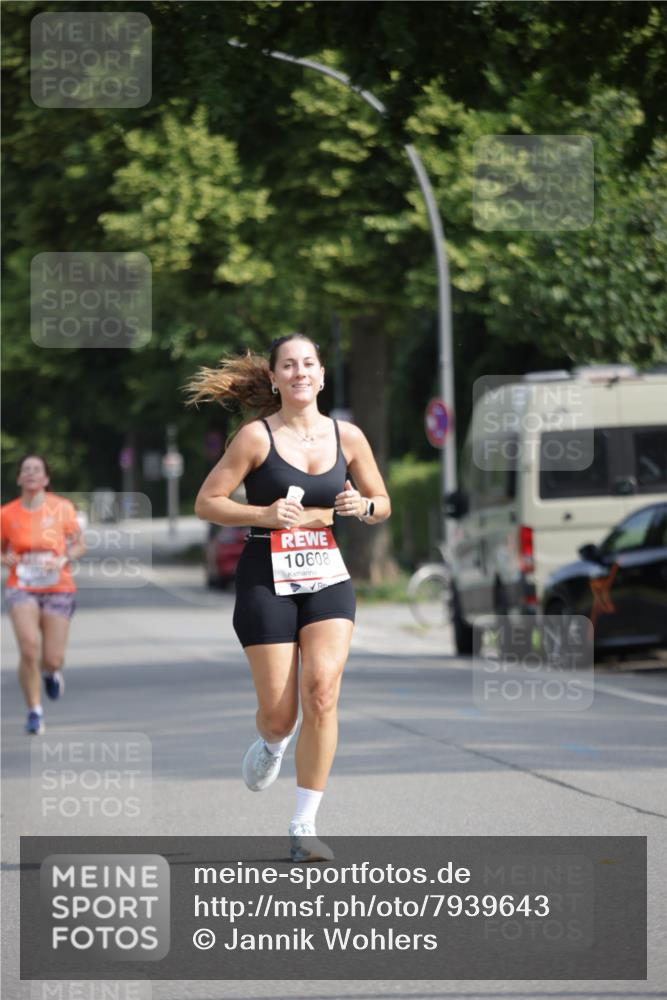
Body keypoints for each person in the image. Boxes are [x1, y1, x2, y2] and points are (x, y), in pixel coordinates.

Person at [188, 333, 391, 860]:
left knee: (321, 691)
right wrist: (261, 513)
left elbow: (382, 501)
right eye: (288, 365)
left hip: (326, 571)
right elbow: (208, 502)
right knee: (281, 713)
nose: (300, 372)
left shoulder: (348, 437)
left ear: (322, 374)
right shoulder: (255, 438)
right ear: (275, 379)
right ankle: (273, 741)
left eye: (309, 364)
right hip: (265, 574)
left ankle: (304, 825)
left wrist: (361, 507)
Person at [1, 454, 86, 735]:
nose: (31, 474)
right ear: (18, 478)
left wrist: (62, 559)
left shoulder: (62, 508)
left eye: (37, 470)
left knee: (51, 657)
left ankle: (50, 672)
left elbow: (79, 545)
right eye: (26, 470)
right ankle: (34, 711)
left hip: (57, 586)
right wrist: (6, 559)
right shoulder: (7, 513)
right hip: (21, 585)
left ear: (46, 479)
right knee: (28, 648)